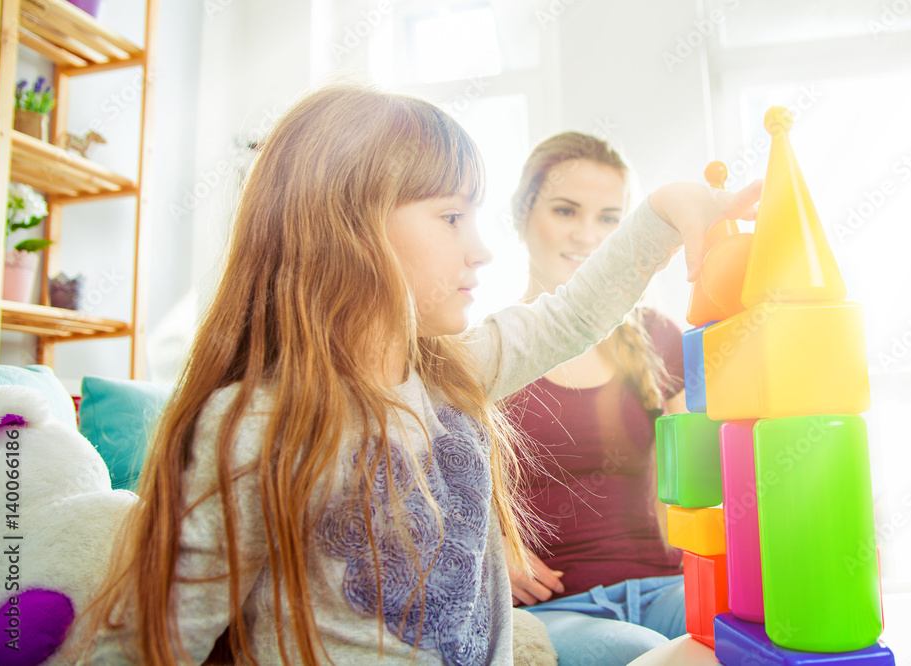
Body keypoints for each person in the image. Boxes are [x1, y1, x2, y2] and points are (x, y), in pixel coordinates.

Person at [75, 85, 760, 665]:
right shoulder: (259, 423)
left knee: (706, 651)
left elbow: (572, 315)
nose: (482, 249)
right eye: (453, 217)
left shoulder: (452, 375)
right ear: (350, 230)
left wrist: (670, 209)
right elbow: (150, 641)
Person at [505, 132, 692, 666]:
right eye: (566, 210)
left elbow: (706, 477)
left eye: (610, 218)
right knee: (653, 656)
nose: (588, 236)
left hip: (668, 587)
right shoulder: (487, 354)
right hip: (560, 610)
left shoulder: (659, 338)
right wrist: (491, 555)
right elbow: (436, 501)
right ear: (522, 216)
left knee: (753, 630)